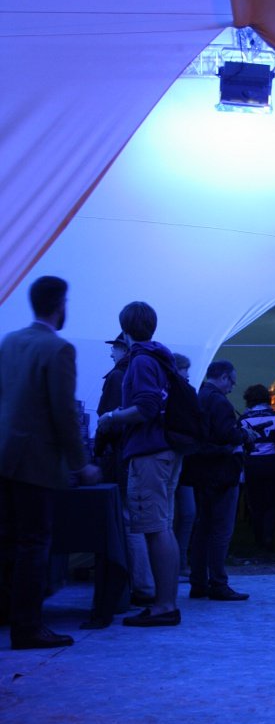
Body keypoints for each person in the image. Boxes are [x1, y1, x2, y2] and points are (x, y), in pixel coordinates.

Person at [0, 276, 101, 650]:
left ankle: (8, 614)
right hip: (36, 462)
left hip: (4, 456)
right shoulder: (58, 349)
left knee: (8, 540)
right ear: (61, 304)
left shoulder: (9, 342)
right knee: (34, 543)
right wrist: (82, 464)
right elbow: (62, 413)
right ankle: (27, 627)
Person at [97, 302, 182, 627]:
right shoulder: (160, 357)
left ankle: (163, 606)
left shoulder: (141, 361)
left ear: (125, 329)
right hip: (163, 450)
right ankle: (167, 602)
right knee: (163, 525)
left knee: (154, 527)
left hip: (148, 451)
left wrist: (112, 418)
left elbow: (146, 407)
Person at [188, 360, 257, 601]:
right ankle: (218, 582)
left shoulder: (199, 396)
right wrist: (244, 435)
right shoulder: (219, 401)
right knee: (221, 529)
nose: (232, 388)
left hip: (201, 470)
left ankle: (198, 582)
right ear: (224, 377)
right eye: (232, 382)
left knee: (202, 528)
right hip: (222, 471)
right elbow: (228, 434)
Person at [95, 332, 155, 607]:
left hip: (119, 456)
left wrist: (97, 452)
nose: (111, 354)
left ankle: (141, 585)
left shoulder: (118, 375)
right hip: (137, 453)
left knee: (127, 520)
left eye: (115, 348)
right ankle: (145, 583)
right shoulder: (143, 370)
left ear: (124, 347)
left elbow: (107, 421)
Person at [238, 384, 275, 549]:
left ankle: (258, 537)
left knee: (255, 502)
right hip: (272, 462)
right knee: (272, 501)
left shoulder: (243, 419)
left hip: (252, 463)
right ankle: (269, 537)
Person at [172, 353, 197, 580]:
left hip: (185, 463)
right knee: (174, 516)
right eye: (184, 369)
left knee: (187, 514)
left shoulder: (188, 392)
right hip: (173, 460)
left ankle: (180, 562)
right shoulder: (170, 393)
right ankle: (175, 564)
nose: (188, 374)